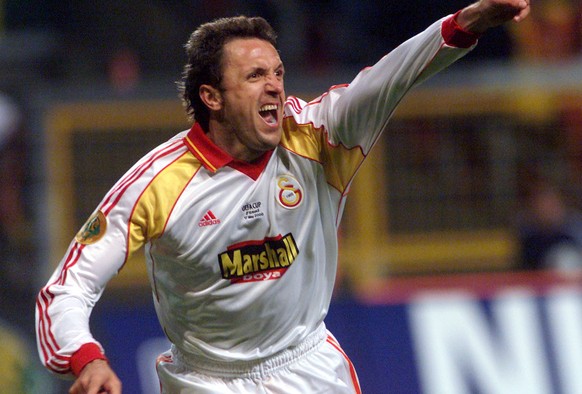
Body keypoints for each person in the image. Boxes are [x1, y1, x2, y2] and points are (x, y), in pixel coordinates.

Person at [35, 1, 530, 393]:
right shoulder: (156, 184)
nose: (273, 86)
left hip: (309, 368)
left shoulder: (318, 133)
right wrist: (87, 358)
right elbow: (67, 288)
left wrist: (469, 21)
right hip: (206, 381)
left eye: (277, 72)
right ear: (212, 97)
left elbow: (394, 75)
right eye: (254, 77)